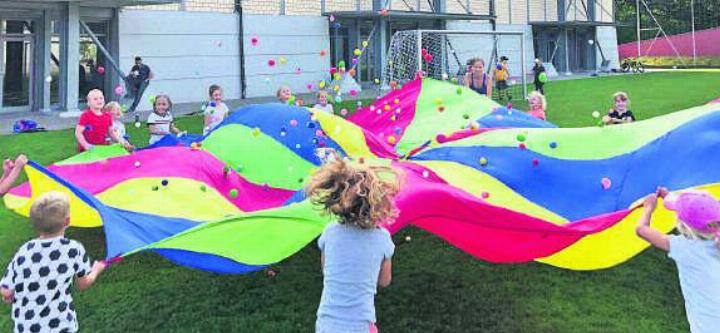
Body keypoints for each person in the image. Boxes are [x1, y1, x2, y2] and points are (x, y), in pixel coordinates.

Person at [307, 159, 400, 333]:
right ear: (377, 202)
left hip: (326, 324)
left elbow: (326, 269)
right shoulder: (382, 238)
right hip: (360, 326)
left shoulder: (330, 232)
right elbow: (384, 281)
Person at [1, 191, 107, 333]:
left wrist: (9, 296)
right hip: (60, 326)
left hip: (26, 327)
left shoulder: (25, 250)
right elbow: (83, 284)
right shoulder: (73, 249)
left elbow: (6, 290)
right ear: (68, 221)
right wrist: (95, 270)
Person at [636, 187, 720, 333]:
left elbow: (641, 229)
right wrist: (669, 197)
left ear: (684, 226)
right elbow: (698, 212)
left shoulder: (685, 248)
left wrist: (649, 207)